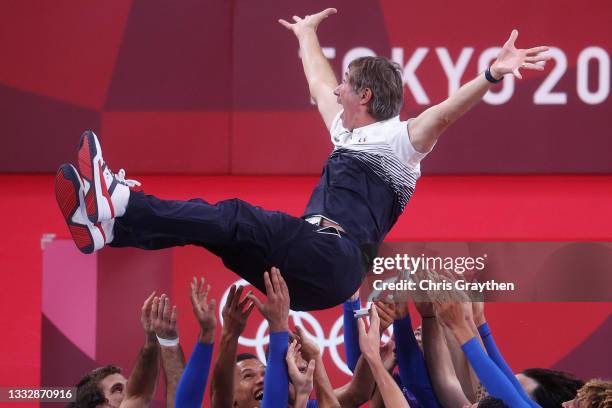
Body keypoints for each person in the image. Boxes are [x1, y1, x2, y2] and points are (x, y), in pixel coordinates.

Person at [54, 8, 549, 311]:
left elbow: (442, 115)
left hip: (335, 256)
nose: (336, 90)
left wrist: (491, 73)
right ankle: (111, 230)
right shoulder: (345, 129)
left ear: (366, 94)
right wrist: (305, 34)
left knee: (236, 215)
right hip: (313, 276)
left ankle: (117, 200)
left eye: (346, 84)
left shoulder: (401, 143)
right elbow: (318, 79)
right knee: (218, 231)